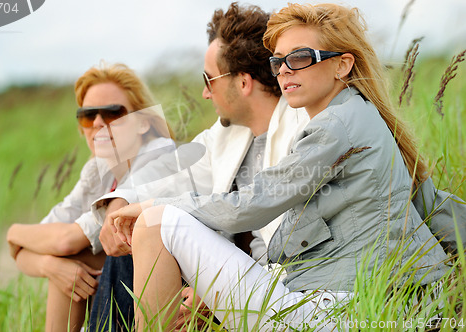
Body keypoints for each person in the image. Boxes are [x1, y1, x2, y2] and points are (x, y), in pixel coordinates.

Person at [110, 3, 466, 331]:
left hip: (335, 310)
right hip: (338, 299)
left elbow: (253, 204)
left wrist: (157, 206)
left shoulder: (336, 126)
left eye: (299, 58)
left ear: (342, 64)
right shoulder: (354, 117)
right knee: (157, 222)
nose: (284, 70)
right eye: (278, 61)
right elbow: (429, 204)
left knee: (157, 224)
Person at [89, 3, 310, 331]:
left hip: (279, 292)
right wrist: (121, 205)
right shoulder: (227, 135)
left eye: (209, 79)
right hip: (231, 279)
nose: (205, 93)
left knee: (150, 226)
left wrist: (212, 296)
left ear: (244, 83)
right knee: (131, 239)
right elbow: (170, 171)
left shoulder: (303, 131)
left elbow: (299, 251)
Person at [6, 62, 173, 332]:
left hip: (178, 291)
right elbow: (34, 247)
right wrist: (50, 265)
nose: (97, 123)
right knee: (67, 268)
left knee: (74, 259)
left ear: (143, 122)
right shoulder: (99, 169)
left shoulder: (160, 157)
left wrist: (14, 232)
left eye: (111, 113)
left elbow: (65, 241)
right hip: (127, 282)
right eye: (87, 116)